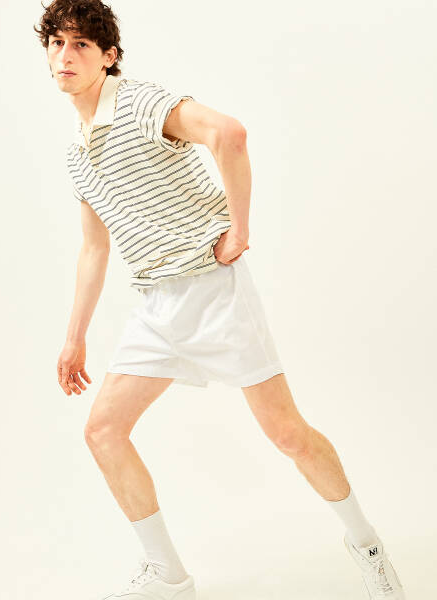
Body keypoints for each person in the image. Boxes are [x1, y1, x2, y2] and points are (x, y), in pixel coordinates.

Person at [34, 2, 406, 598]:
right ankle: (169, 576)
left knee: (287, 435)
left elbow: (228, 133)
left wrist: (239, 230)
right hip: (156, 305)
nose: (65, 55)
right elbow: (94, 249)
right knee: (103, 431)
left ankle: (366, 545)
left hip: (214, 291)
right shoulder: (78, 153)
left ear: (108, 56)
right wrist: (74, 337)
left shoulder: (140, 103)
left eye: (81, 44)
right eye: (56, 43)